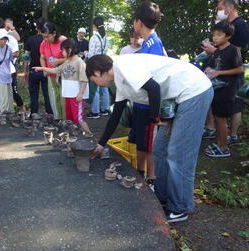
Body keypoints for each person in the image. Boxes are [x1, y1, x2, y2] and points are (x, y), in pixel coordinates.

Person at [86, 54, 213, 223]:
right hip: (178, 98)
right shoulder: (121, 82)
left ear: (97, 72)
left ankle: (180, 207)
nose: (95, 84)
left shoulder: (123, 65)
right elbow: (115, 116)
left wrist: (155, 119)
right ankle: (162, 197)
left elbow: (153, 88)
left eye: (93, 80)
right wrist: (101, 144)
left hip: (194, 91)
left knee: (178, 153)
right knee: (159, 148)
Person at [129, 0, 167, 188]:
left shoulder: (154, 44)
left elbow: (155, 82)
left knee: (149, 144)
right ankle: (140, 173)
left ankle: (151, 180)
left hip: (149, 106)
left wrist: (155, 114)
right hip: (140, 102)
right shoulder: (147, 43)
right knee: (140, 142)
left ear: (139, 22)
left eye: (133, 20)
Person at [202, 0, 249, 143]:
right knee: (218, 114)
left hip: (231, 81)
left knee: (234, 106)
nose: (217, 8)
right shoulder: (222, 28)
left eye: (220, 6)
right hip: (219, 83)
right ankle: (219, 137)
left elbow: (238, 59)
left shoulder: (240, 26)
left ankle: (229, 139)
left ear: (230, 7)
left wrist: (215, 52)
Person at [33, 39, 92, 135]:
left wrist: (80, 93)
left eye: (63, 50)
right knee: (69, 116)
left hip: (76, 95)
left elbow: (84, 80)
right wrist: (42, 68)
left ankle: (89, 134)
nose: (62, 53)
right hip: (68, 94)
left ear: (69, 50)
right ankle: (74, 133)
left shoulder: (80, 62)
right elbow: (56, 70)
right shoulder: (67, 62)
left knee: (78, 117)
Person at [204, 21, 243, 158]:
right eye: (214, 35)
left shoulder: (233, 50)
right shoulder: (217, 51)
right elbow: (211, 66)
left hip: (227, 91)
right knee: (217, 118)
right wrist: (208, 69)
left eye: (219, 35)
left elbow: (239, 69)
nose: (215, 38)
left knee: (221, 120)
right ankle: (219, 143)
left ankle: (224, 147)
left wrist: (219, 73)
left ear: (228, 36)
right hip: (217, 90)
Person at [0, 18, 26, 111]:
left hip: (9, 67)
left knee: (10, 91)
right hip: (3, 69)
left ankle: (18, 108)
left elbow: (16, 53)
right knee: (8, 91)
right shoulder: (1, 35)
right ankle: (8, 110)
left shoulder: (8, 36)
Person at [24, 18, 53, 115]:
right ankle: (50, 114)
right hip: (47, 70)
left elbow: (26, 57)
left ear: (37, 28)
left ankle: (34, 114)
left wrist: (25, 71)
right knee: (47, 94)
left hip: (34, 70)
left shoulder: (30, 39)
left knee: (33, 93)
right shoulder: (48, 39)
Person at [40, 21, 68, 119]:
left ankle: (66, 120)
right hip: (51, 74)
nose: (45, 39)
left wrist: (59, 61)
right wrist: (45, 69)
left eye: (47, 36)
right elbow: (42, 57)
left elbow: (72, 58)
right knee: (53, 97)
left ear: (54, 33)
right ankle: (57, 118)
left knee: (63, 97)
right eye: (43, 36)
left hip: (64, 75)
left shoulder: (63, 41)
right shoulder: (44, 43)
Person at [86, 16, 110, 119]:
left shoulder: (94, 38)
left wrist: (86, 55)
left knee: (95, 88)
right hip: (104, 64)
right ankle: (105, 109)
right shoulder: (105, 38)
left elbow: (91, 55)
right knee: (104, 87)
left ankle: (95, 112)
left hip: (95, 64)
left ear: (94, 26)